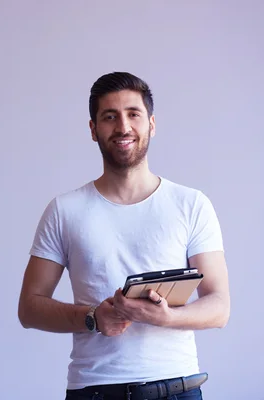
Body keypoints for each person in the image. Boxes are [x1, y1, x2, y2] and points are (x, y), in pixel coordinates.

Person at [18, 72, 230, 400]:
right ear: (93, 129)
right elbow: (29, 308)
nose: (123, 127)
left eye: (133, 114)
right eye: (109, 117)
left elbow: (219, 306)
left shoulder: (191, 204)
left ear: (152, 124)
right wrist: (92, 317)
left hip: (177, 388)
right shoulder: (64, 210)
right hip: (94, 391)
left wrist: (168, 317)